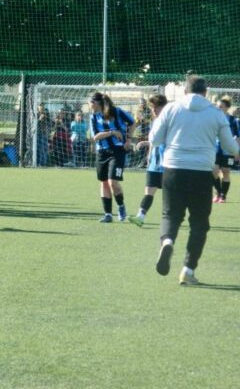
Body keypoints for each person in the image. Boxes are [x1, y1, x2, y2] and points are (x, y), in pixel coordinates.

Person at [151, 75, 239, 285]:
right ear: (206, 92)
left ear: (185, 91)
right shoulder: (216, 113)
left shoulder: (171, 109)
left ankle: (167, 241)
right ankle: (188, 270)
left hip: (173, 169)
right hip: (201, 172)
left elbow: (154, 139)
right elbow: (230, 146)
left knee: (170, 215)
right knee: (199, 223)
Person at [89, 92, 134, 223]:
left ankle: (121, 206)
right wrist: (112, 132)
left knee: (112, 182)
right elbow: (95, 137)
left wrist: (128, 139)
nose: (89, 104)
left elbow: (132, 123)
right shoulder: (93, 116)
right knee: (104, 182)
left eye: (90, 102)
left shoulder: (117, 111)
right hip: (102, 152)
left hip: (117, 151)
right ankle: (108, 214)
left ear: (96, 103)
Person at [129, 94, 168, 227]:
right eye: (152, 107)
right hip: (154, 165)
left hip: (168, 165)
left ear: (164, 107)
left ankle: (173, 219)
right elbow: (155, 140)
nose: (153, 110)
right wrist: (149, 152)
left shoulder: (170, 121)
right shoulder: (155, 121)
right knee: (149, 191)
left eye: (156, 107)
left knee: (171, 195)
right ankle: (140, 216)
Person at [212, 96, 239, 203]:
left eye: (220, 106)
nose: (218, 108)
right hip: (215, 149)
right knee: (214, 171)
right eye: (217, 106)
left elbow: (237, 137)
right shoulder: (213, 119)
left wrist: (237, 152)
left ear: (227, 108)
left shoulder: (233, 120)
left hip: (228, 151)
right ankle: (218, 192)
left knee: (225, 171)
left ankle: (223, 196)